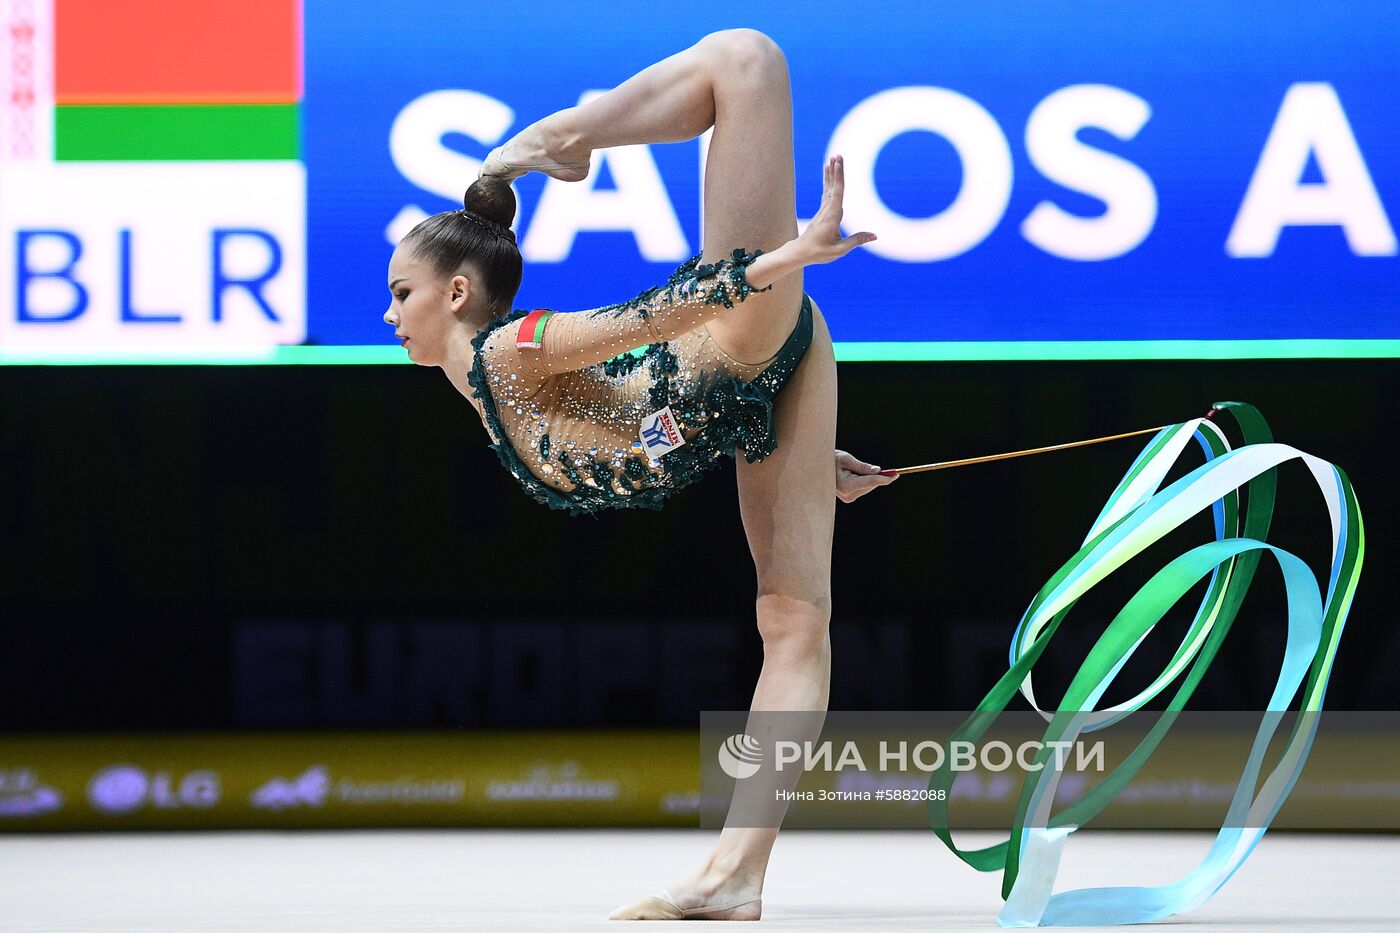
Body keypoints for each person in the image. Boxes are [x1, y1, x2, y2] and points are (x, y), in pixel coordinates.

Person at [382, 29, 897, 919]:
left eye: (401, 292)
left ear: (456, 294)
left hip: (735, 329)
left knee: (747, 61)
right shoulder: (486, 389)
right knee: (793, 621)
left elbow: (657, 312)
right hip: (751, 389)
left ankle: (565, 138)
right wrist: (810, 455)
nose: (389, 313)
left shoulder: (511, 353)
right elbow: (645, 425)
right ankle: (737, 874)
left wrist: (788, 259)